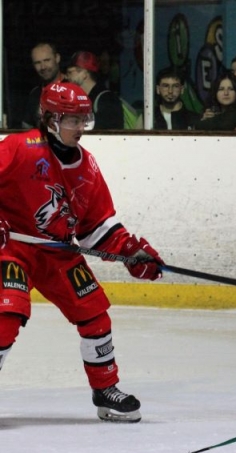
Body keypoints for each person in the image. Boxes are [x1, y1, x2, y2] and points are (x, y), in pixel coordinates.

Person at [0, 82, 164, 423]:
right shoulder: (20, 148)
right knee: (7, 314)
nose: (80, 127)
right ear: (49, 119)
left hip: (58, 252)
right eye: (71, 120)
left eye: (82, 119)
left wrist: (132, 253)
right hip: (13, 247)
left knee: (94, 313)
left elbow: (96, 227)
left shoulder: (87, 167)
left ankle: (105, 390)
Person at [65, 51, 124, 130]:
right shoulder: (80, 99)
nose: (66, 76)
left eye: (70, 72)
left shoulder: (107, 99)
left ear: (84, 74)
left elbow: (109, 134)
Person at [21, 42, 65, 129]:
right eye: (38, 63)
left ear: (57, 58)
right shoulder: (35, 93)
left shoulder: (74, 89)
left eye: (47, 60)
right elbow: (26, 129)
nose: (43, 67)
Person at [153, 66, 200, 130]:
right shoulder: (148, 118)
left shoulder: (195, 120)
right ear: (158, 89)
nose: (170, 91)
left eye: (175, 86)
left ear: (182, 89)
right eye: (166, 86)